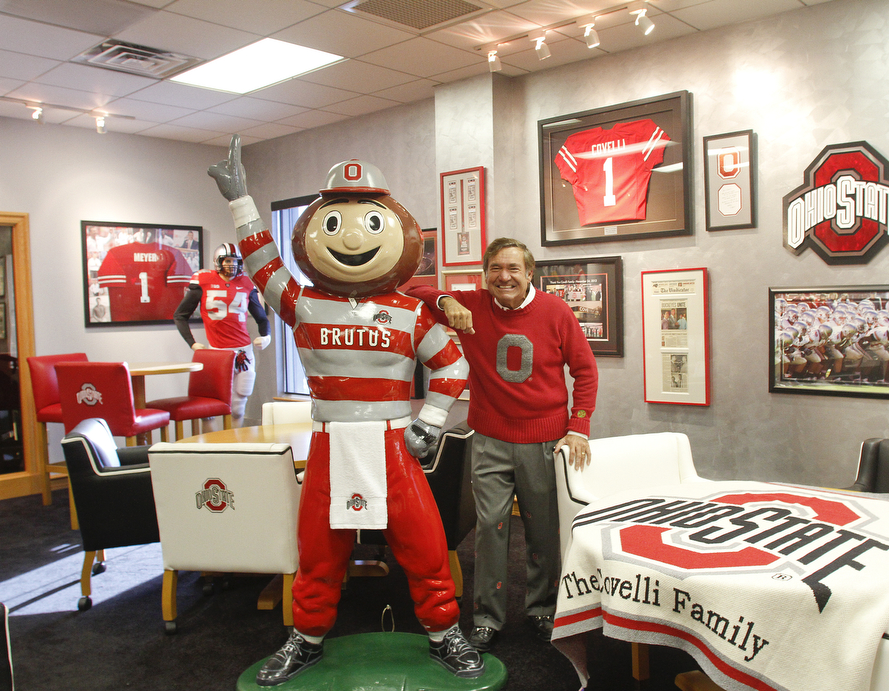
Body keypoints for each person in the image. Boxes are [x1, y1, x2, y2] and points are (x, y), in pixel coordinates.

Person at [208, 137, 482, 686]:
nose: (353, 237)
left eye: (369, 221)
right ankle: (306, 638)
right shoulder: (304, 302)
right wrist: (241, 201)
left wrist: (428, 425)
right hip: (331, 441)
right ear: (313, 229)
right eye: (335, 222)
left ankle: (444, 632)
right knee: (318, 546)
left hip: (394, 442)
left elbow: (453, 367)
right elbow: (262, 265)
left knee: (424, 543)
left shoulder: (409, 311)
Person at [409, 237, 598, 652]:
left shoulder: (556, 311)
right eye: (495, 268)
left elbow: (585, 371)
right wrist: (444, 299)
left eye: (513, 268)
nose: (504, 276)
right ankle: (486, 619)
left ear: (530, 273)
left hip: (545, 440)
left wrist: (578, 426)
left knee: (543, 533)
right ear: (485, 274)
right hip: (490, 439)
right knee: (489, 531)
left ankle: (543, 610)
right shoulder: (472, 304)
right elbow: (410, 290)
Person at [173, 242, 271, 427]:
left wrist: (266, 336)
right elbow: (180, 315)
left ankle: (235, 446)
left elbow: (262, 318)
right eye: (227, 260)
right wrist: (192, 343)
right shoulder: (203, 280)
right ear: (218, 261)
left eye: (235, 260)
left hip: (243, 351)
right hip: (216, 352)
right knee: (208, 409)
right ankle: (213, 448)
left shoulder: (246, 283)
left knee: (238, 406)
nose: (231, 265)